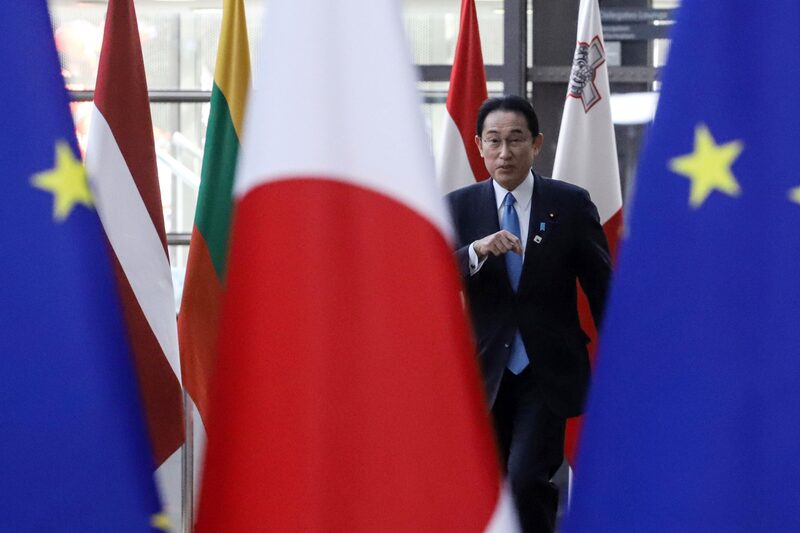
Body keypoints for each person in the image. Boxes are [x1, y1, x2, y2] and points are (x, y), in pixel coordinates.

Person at [446, 95, 611, 532]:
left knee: (525, 481)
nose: (505, 152)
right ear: (478, 145)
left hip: (546, 372)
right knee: (489, 489)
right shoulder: (458, 206)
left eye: (516, 140)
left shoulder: (570, 204)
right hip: (485, 373)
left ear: (537, 144)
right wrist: (477, 251)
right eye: (494, 141)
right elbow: (428, 278)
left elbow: (602, 286)